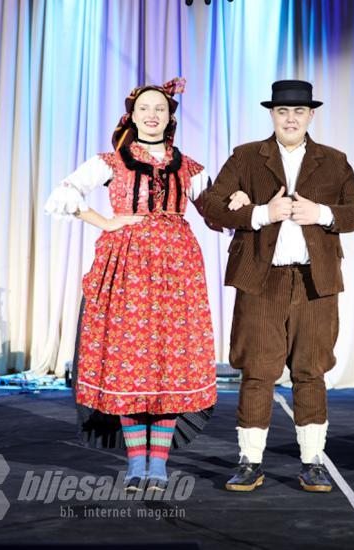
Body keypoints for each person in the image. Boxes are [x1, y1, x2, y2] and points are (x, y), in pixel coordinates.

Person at [44, 78, 218, 492]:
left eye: (160, 108)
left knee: (167, 364)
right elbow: (63, 193)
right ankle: (135, 461)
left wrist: (245, 206)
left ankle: (158, 463)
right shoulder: (112, 161)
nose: (152, 114)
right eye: (145, 108)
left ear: (170, 116)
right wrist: (105, 221)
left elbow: (216, 207)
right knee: (130, 364)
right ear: (133, 116)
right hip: (127, 270)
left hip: (177, 272)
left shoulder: (188, 166)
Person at [201, 80, 354, 492]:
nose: (290, 119)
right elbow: (211, 204)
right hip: (262, 279)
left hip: (315, 280)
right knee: (257, 371)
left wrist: (322, 213)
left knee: (311, 371)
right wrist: (261, 212)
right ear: (271, 115)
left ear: (311, 115)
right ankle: (249, 461)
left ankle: (312, 461)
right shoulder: (245, 157)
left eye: (298, 112)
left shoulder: (333, 160)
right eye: (282, 112)